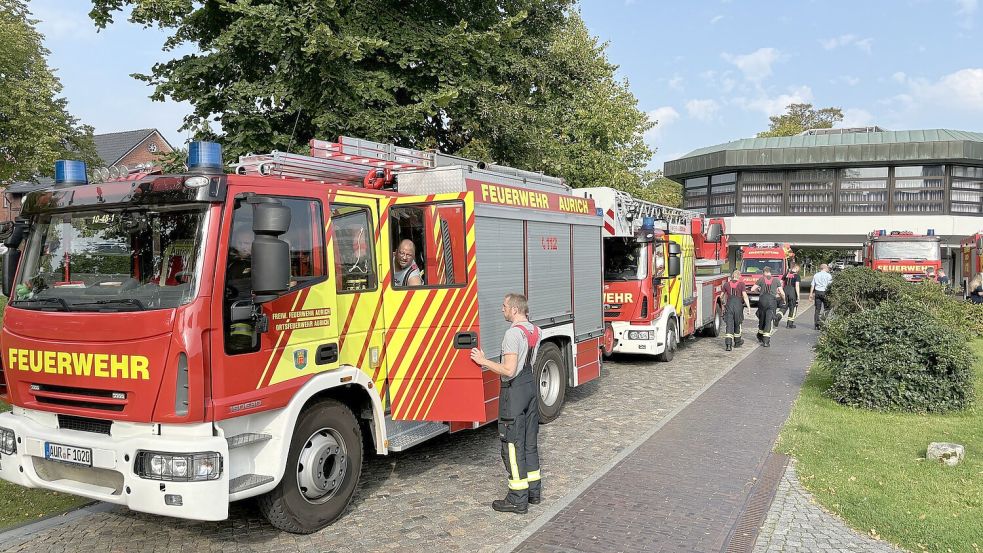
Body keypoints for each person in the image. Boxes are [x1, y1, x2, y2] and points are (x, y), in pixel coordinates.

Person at [470, 293, 542, 514]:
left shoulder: (512, 335)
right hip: (530, 388)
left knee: (511, 445)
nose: (502, 309)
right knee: (529, 443)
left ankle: (517, 499)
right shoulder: (536, 331)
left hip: (514, 391)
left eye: (504, 306)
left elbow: (509, 370)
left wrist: (483, 361)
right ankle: (533, 492)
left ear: (514, 310)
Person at [751, 267, 785, 347]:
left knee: (762, 318)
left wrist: (758, 291)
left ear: (764, 272)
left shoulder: (761, 279)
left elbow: (752, 289)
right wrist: (783, 300)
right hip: (771, 302)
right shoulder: (776, 280)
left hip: (762, 301)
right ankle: (766, 341)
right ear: (770, 272)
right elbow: (782, 292)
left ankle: (760, 335)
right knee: (768, 320)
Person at [722, 270, 751, 351]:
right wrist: (748, 307)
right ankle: (737, 342)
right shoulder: (741, 284)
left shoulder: (726, 284)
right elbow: (745, 296)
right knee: (738, 323)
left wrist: (723, 304)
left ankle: (728, 345)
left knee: (729, 324)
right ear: (739, 276)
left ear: (732, 276)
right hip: (738, 306)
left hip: (729, 305)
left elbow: (721, 296)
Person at [810, 263, 833, 329]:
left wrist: (811, 294)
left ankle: (816, 323)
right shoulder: (829, 276)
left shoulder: (816, 275)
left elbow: (812, 285)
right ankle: (822, 321)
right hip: (825, 292)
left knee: (817, 309)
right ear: (824, 268)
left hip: (817, 292)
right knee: (827, 308)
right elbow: (830, 286)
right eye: (827, 268)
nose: (828, 269)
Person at [782, 264, 802, 329]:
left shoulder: (786, 274)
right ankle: (789, 324)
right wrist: (798, 296)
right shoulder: (797, 276)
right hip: (792, 292)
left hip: (785, 291)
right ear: (796, 269)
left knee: (784, 306)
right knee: (792, 308)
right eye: (798, 270)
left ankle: (778, 317)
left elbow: (781, 282)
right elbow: (797, 286)